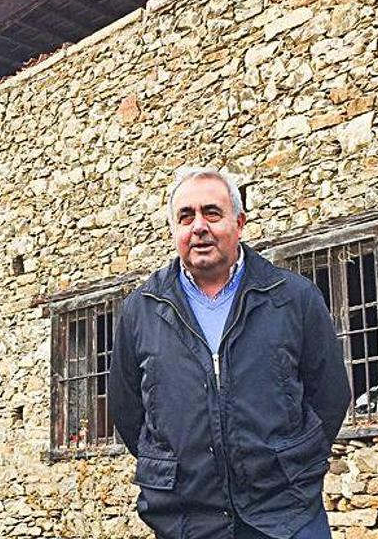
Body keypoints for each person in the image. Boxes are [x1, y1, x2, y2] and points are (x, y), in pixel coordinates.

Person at [108, 167, 350, 539]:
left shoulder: (293, 298)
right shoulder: (142, 309)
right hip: (186, 519)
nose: (199, 226)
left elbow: (330, 394)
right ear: (174, 231)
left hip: (285, 514)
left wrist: (293, 458)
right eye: (185, 217)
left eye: (212, 213)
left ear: (239, 222)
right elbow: (127, 410)